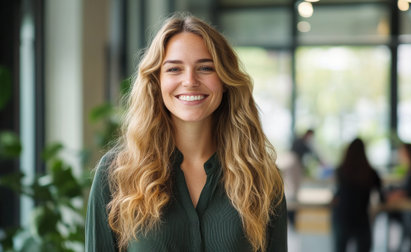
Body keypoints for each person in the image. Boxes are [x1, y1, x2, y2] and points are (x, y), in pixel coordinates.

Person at [85, 13, 287, 252]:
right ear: (156, 81)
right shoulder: (117, 174)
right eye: (174, 69)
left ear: (224, 80)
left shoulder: (261, 176)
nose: (190, 81)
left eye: (205, 68)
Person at [331, 138, 384, 252]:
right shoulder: (371, 172)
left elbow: (339, 193)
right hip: (361, 218)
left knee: (339, 248)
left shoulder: (341, 170)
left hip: (342, 216)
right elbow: (382, 197)